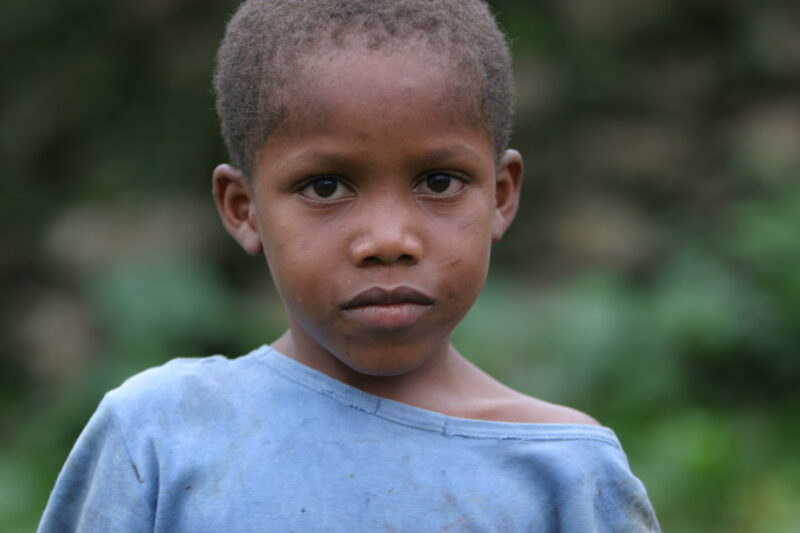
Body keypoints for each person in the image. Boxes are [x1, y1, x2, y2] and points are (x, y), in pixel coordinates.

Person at [38, 0, 660, 531]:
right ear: (244, 209)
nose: (388, 240)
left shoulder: (566, 474)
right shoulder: (162, 435)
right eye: (326, 187)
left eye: (439, 181)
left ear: (500, 195)